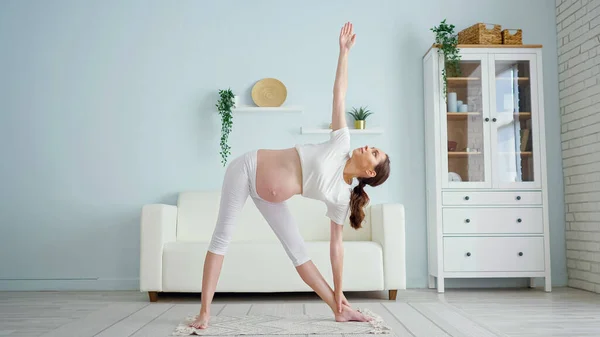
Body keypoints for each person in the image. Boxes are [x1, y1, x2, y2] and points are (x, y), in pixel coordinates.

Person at [190, 22, 391, 329]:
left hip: (270, 198)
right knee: (222, 237)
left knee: (299, 253)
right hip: (246, 169)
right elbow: (339, 94)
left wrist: (339, 292)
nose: (369, 147)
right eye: (374, 147)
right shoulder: (341, 143)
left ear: (369, 172)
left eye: (374, 153)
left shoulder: (341, 198)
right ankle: (204, 313)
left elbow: (336, 248)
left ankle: (339, 309)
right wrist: (344, 53)